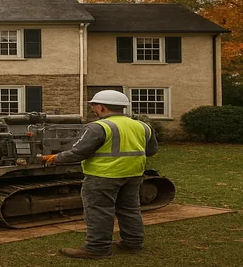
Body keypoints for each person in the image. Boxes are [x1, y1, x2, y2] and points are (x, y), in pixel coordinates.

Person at [40, 90, 158, 259]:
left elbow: (78, 153)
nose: (93, 110)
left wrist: (54, 158)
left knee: (99, 210)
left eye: (94, 106)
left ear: (101, 107)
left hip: (103, 176)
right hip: (134, 174)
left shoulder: (98, 127)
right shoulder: (143, 126)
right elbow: (152, 151)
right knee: (129, 208)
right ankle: (133, 243)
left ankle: (97, 248)